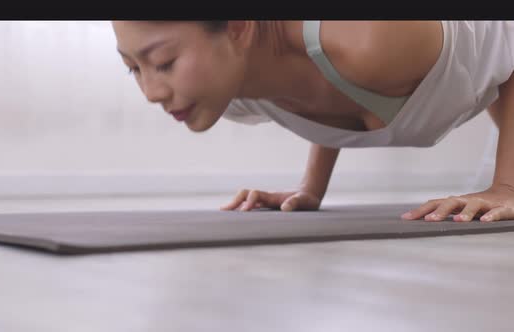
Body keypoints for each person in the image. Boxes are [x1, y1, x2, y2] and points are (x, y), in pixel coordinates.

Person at [111, 20, 514, 222]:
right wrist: (311, 187)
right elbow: (327, 88)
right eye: (133, 68)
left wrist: (506, 187)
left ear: (237, 26)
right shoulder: (224, 92)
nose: (151, 93)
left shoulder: (372, 40)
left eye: (164, 63)